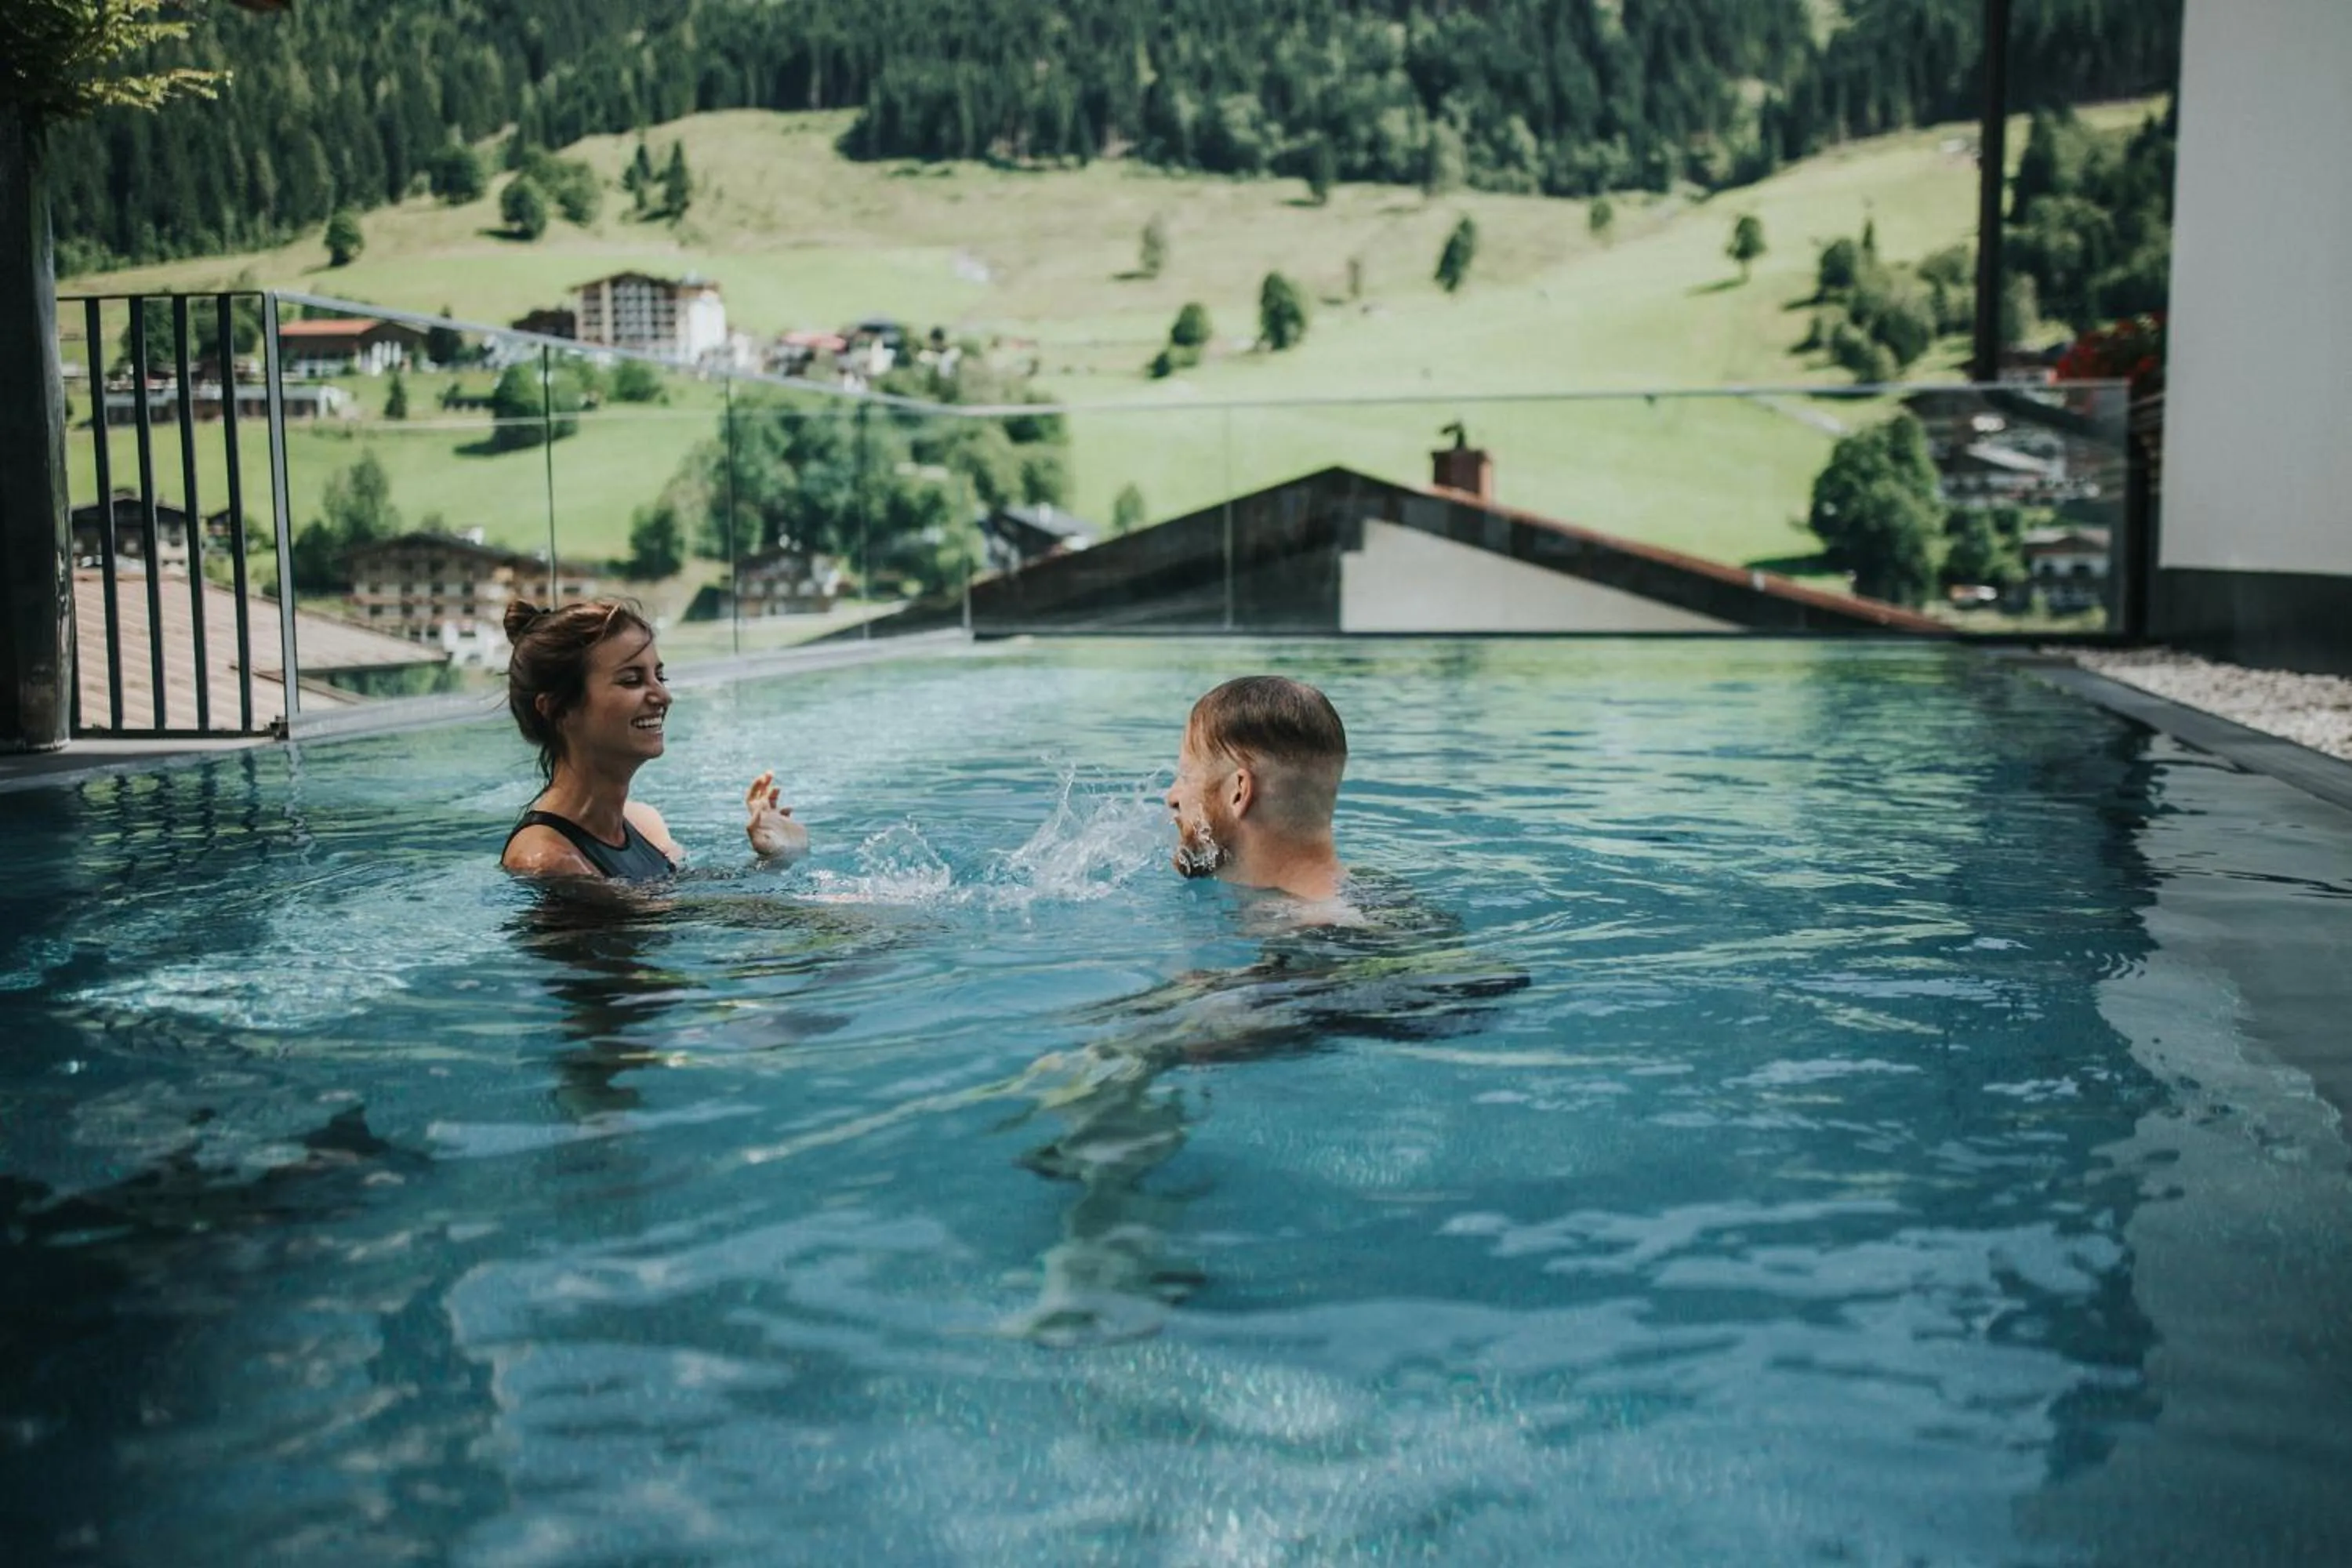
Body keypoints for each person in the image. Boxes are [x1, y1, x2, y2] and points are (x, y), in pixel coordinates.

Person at [498, 599, 806, 880]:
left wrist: (777, 855)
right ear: (557, 709)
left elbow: (689, 899)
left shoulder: (643, 824)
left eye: (660, 677)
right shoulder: (549, 860)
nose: (664, 696)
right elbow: (693, 912)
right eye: (632, 680)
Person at [1163, 673, 1349, 904]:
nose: (1172, 797)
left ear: (1238, 793)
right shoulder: (1371, 893)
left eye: (1186, 776)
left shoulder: (1304, 926)